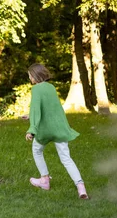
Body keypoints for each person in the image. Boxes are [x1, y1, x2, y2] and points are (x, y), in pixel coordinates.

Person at [23, 63, 89, 199]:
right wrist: (30, 116)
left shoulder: (36, 89)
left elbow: (36, 110)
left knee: (36, 150)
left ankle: (44, 180)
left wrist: (31, 129)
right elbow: (51, 109)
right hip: (59, 128)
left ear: (35, 75)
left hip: (45, 130)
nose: (29, 78)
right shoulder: (51, 87)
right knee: (66, 158)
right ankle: (81, 187)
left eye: (30, 75)